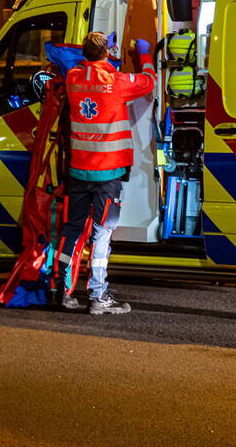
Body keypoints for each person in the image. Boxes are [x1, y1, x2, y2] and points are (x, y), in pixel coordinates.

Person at [56, 31, 156, 315]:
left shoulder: (73, 79)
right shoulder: (117, 81)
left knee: (72, 231)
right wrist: (144, 55)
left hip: (78, 172)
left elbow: (77, 62)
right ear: (107, 54)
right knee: (101, 234)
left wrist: (101, 49)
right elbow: (149, 82)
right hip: (107, 174)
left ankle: (61, 290)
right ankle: (98, 297)